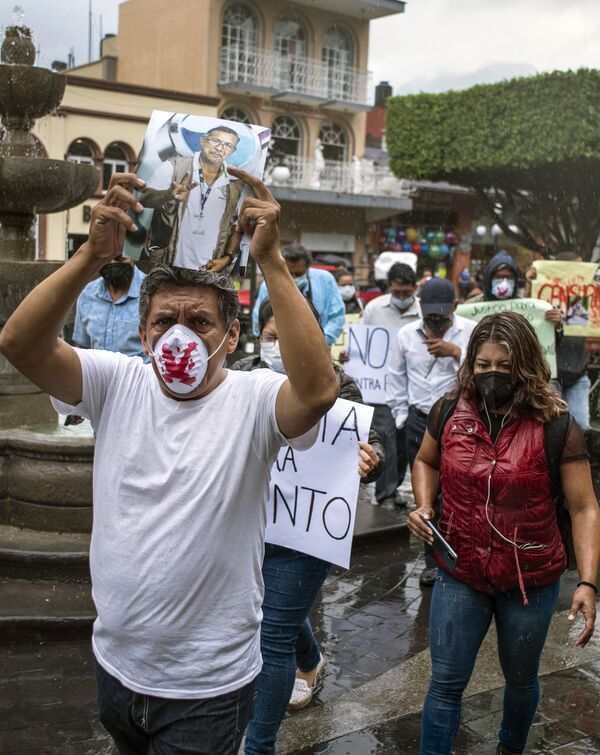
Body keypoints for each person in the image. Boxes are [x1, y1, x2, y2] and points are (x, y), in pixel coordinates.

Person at [0, 170, 339, 754]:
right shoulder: (116, 381)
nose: (178, 336)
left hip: (207, 690)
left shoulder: (254, 399)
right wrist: (89, 257)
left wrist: (272, 263)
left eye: (200, 322)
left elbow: (316, 391)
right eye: (163, 322)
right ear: (142, 331)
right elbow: (20, 345)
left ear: (230, 337)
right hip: (116, 669)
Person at [408, 311, 600, 755]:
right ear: (470, 363)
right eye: (482, 365)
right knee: (445, 683)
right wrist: (423, 505)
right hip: (461, 571)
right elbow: (425, 461)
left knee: (520, 680)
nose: (491, 375)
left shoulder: (557, 425)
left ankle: (510, 748)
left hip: (530, 579)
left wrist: (588, 582)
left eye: (503, 366)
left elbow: (585, 507)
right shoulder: (448, 410)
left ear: (526, 366)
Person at [232, 297, 384, 755]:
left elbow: (371, 446)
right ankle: (312, 660)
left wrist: (370, 461)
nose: (281, 345)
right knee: (271, 610)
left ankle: (258, 745)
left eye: (292, 336)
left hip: (306, 532)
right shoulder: (240, 375)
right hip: (249, 527)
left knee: (272, 634)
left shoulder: (341, 385)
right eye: (273, 336)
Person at [386, 278, 476, 585]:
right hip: (419, 421)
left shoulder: (471, 331)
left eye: (442, 315)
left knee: (459, 492)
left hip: (459, 422)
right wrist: (402, 418)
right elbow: (396, 377)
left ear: (454, 307)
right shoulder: (405, 335)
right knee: (427, 497)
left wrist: (455, 353)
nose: (435, 321)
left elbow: (482, 371)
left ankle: (461, 556)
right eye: (430, 315)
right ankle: (432, 561)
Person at [139, 125, 245, 272]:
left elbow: (237, 227)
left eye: (228, 145)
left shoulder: (235, 183)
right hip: (166, 266)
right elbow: (145, 199)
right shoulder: (173, 167)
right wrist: (168, 195)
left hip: (207, 273)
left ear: (233, 151)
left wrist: (227, 258)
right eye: (216, 141)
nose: (220, 148)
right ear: (203, 140)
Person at [359, 262, 420, 508]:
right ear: (389, 288)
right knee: (386, 435)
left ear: (415, 288)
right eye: (397, 293)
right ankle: (385, 494)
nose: (402, 298)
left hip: (411, 386)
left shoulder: (423, 311)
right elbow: (363, 343)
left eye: (407, 293)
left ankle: (393, 488)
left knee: (404, 440)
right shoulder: (374, 309)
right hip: (381, 387)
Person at [526, 251, 592, 433]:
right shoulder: (544, 298)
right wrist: (529, 284)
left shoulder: (587, 296)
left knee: (581, 428)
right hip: (551, 376)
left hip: (578, 373)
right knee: (552, 427)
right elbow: (526, 312)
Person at [252, 244, 345, 346]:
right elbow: (258, 320)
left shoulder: (326, 280)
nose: (293, 278)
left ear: (307, 268)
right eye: (289, 273)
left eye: (299, 274)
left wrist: (321, 342)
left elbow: (337, 317)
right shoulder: (268, 285)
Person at [73, 255, 146, 358]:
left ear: (133, 256)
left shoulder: (150, 293)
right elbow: (82, 347)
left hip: (138, 372)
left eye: (119, 258)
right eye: (105, 259)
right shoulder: (87, 294)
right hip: (96, 373)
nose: (112, 263)